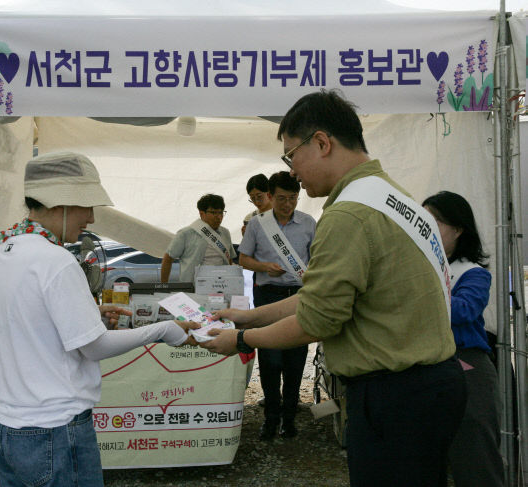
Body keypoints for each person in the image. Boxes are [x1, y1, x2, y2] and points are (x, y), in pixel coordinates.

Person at [200, 90, 466, 486]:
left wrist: (241, 338)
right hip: (426, 386)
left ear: (323, 143)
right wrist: (248, 315)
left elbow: (317, 319)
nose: (292, 172)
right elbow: (322, 297)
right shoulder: (389, 195)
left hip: (394, 395)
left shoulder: (349, 215)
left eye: (292, 155)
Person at [0, 151, 198, 487]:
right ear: (60, 202)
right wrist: (164, 330)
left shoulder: (9, 248)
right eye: (86, 204)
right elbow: (93, 346)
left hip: (8, 430)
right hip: (54, 432)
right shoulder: (56, 260)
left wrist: (89, 311)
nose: (91, 217)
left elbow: (28, 316)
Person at [423, 191, 503, 487]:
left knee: (474, 455)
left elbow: (465, 310)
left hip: (467, 366)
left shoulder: (474, 273)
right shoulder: (417, 267)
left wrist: (421, 293)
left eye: (435, 222)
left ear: (458, 229)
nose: (427, 228)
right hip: (426, 364)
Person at [238, 171, 315, 439]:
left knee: (296, 356)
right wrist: (263, 267)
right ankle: (270, 418)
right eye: (282, 198)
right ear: (270, 196)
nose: (288, 204)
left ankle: (290, 418)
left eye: (293, 198)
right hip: (267, 294)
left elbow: (316, 260)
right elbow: (243, 258)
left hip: (298, 295)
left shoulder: (308, 223)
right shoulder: (258, 224)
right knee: (270, 358)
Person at [161, 193, 237, 283]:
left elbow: (229, 259)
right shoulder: (186, 233)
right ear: (202, 213)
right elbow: (168, 258)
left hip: (220, 285)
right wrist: (164, 285)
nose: (218, 217)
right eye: (213, 212)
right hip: (193, 287)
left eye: (220, 212)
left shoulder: (225, 233)